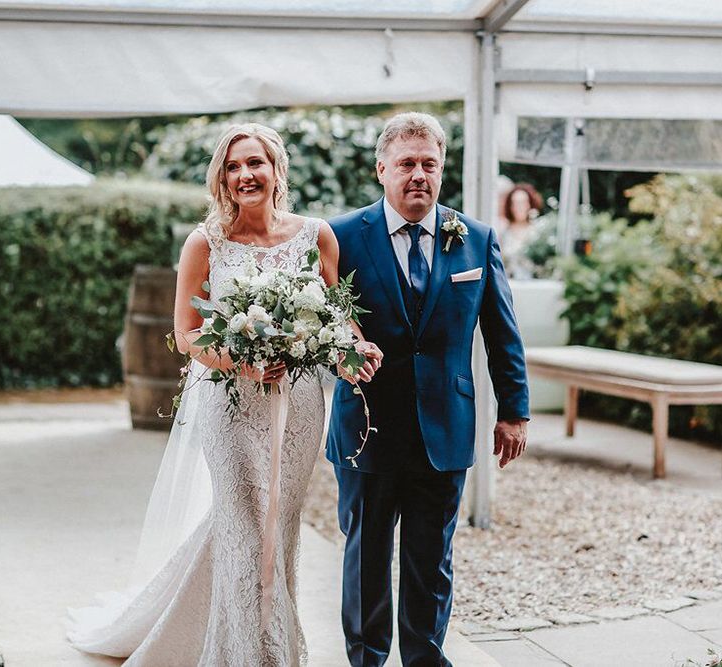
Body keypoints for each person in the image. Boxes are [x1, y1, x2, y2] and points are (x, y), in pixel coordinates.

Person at [66, 123, 380, 666]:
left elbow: (339, 311)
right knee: (241, 522)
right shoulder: (204, 243)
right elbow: (187, 335)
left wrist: (354, 350)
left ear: (277, 169)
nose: (244, 175)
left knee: (277, 525)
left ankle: (262, 638)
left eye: (254, 163)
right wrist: (244, 362)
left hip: (299, 405)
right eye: (232, 167)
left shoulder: (315, 235)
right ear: (221, 178)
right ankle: (247, 655)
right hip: (229, 402)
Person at [327, 112, 530, 666]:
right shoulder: (339, 237)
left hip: (445, 427)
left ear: (442, 172)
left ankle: (424, 659)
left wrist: (515, 410)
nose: (419, 174)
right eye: (407, 164)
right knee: (367, 558)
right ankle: (366, 660)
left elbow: (502, 333)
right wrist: (341, 356)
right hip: (366, 428)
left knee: (430, 561)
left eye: (430, 164)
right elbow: (319, 323)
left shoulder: (476, 240)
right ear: (381, 170)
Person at [497, 182, 544, 280]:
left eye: (523, 203)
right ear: (510, 206)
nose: (519, 207)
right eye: (515, 203)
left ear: (530, 204)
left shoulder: (538, 231)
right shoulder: (503, 233)